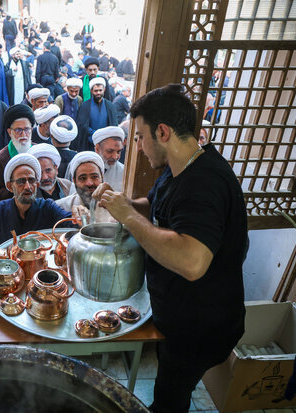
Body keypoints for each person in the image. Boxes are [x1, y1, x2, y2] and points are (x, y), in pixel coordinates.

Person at [93, 84, 247, 413]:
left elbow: (192, 261)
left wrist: (129, 219)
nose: (137, 147)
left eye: (139, 137)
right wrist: (122, 205)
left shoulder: (205, 183)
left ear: (162, 132)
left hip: (202, 327)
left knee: (170, 396)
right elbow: (154, 207)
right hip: (178, 316)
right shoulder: (179, 169)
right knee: (169, 384)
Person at [0, 154, 73, 249]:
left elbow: (70, 222)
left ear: (37, 184)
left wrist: (79, 216)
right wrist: (7, 250)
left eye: (31, 180)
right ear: (10, 186)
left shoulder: (48, 207)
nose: (27, 187)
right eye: (21, 181)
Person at [0, 104, 35, 208]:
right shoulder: (0, 160)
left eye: (26, 129)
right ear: (9, 132)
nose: (23, 134)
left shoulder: (39, 152)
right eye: (18, 130)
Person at [56, 151, 111, 222]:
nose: (89, 183)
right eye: (82, 178)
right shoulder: (61, 207)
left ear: (102, 177)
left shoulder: (115, 207)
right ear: (74, 180)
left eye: (94, 177)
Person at [73, 78, 118, 152]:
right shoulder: (85, 106)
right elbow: (82, 125)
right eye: (96, 91)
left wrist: (103, 135)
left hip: (105, 143)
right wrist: (95, 133)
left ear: (104, 89)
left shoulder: (110, 105)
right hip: (88, 143)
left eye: (100, 90)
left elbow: (113, 124)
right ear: (91, 91)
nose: (98, 93)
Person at [93, 126, 125, 192]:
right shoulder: (83, 168)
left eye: (119, 152)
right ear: (97, 148)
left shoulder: (124, 172)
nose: (115, 157)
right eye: (110, 151)